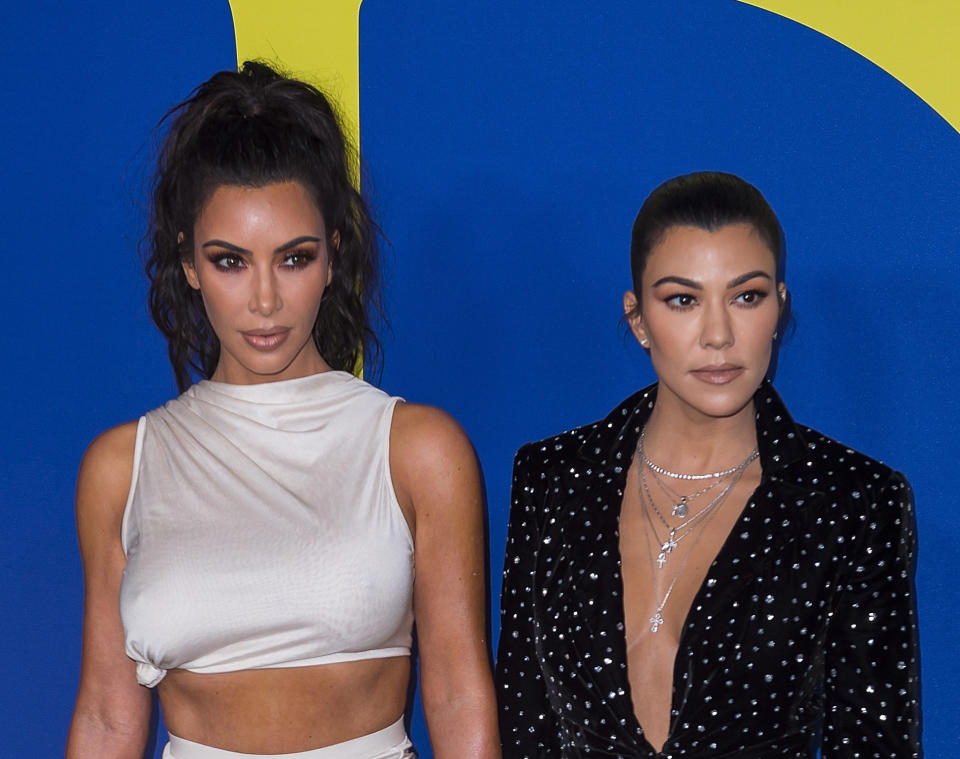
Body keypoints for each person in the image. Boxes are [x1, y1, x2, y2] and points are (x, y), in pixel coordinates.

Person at [67, 61, 500, 759]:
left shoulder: (417, 448)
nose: (264, 301)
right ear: (187, 263)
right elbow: (106, 716)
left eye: (293, 258)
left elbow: (456, 692)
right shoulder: (123, 466)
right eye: (230, 261)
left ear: (334, 254)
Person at [495, 171, 920, 757]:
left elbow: (876, 745)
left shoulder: (853, 502)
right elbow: (524, 724)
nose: (719, 335)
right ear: (639, 317)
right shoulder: (551, 479)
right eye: (683, 300)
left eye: (747, 296)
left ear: (780, 306)